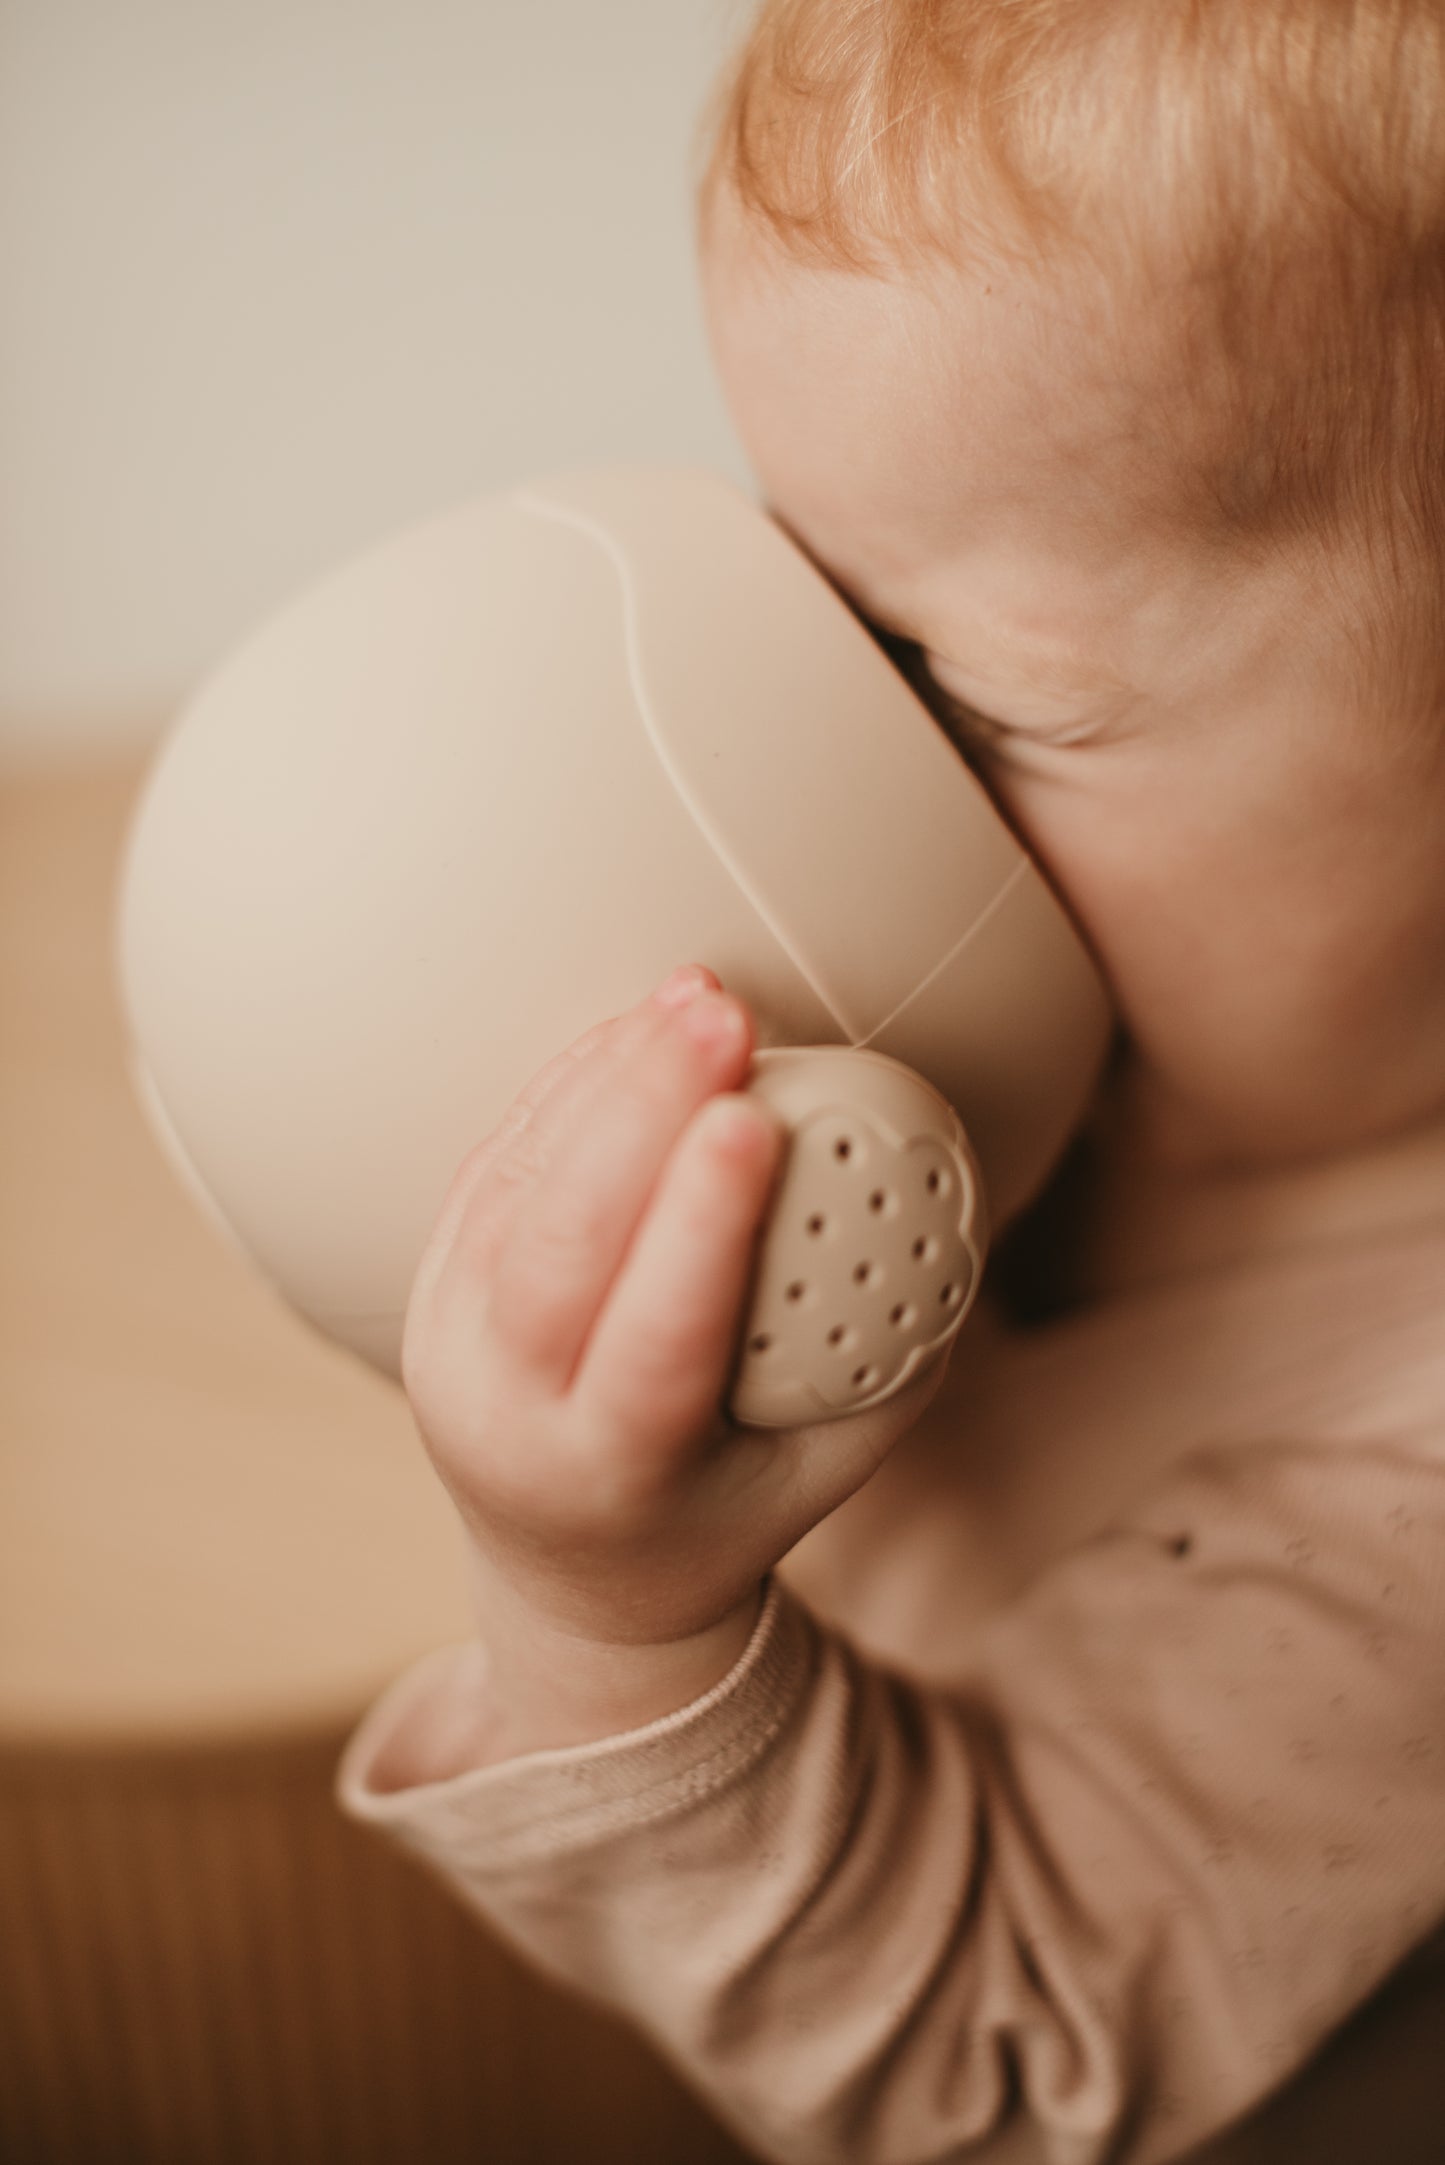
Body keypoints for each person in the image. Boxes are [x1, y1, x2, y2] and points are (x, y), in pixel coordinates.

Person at [338, 4, 1445, 2157]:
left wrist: (611, 1631)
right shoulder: (1136, 1026)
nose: (856, 741)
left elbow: (987, 2068)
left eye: (950, 676)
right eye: (811, 593)